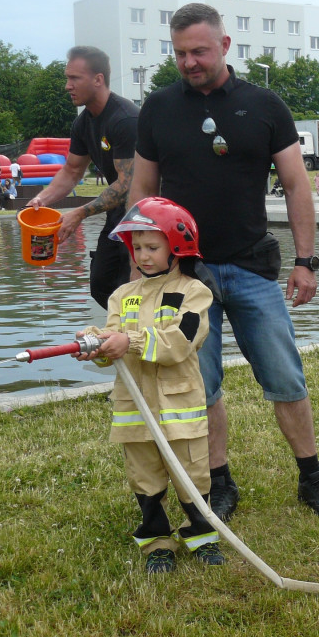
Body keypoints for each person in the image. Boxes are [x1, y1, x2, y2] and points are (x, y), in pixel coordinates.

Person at [128, 2, 319, 523]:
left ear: (225, 46)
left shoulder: (265, 105)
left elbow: (296, 185)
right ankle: (219, 481)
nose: (189, 61)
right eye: (179, 52)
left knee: (285, 378)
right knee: (201, 386)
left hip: (252, 267)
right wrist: (139, 271)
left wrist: (306, 260)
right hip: (184, 274)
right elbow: (142, 189)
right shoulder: (157, 108)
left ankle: (311, 475)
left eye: (199, 50)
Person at [74, 197, 223, 575]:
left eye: (152, 247)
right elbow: (112, 341)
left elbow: (180, 342)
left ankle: (201, 536)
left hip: (179, 407)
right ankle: (157, 543)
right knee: (144, 478)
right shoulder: (122, 295)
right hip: (134, 406)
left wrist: (132, 342)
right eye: (136, 247)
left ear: (177, 247)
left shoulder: (193, 292)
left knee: (193, 474)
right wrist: (95, 345)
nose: (143, 255)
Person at [27, 46, 138, 310]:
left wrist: (79, 213)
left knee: (135, 289)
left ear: (98, 79)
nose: (67, 86)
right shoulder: (83, 123)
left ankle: (139, 342)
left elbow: (127, 185)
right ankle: (124, 340)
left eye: (74, 78)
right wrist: (41, 200)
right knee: (102, 285)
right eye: (68, 78)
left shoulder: (125, 119)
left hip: (145, 217)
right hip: (117, 216)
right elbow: (72, 171)